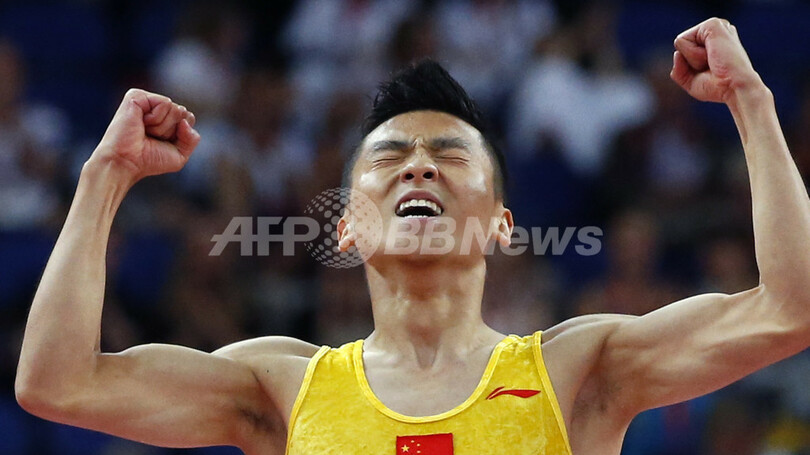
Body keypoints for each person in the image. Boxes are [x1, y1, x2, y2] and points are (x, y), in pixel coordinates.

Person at [14, 18, 810, 455]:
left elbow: (791, 308)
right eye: (390, 156)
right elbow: (57, 382)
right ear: (348, 226)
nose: (419, 166)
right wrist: (104, 177)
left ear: (500, 225)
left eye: (451, 154)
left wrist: (752, 102)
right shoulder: (278, 387)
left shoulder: (580, 370)